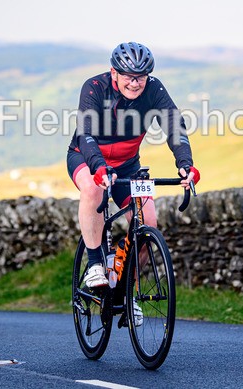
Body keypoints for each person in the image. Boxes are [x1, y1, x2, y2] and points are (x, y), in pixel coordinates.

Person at [67, 41, 200, 323]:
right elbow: (86, 135)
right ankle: (94, 264)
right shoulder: (94, 88)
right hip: (87, 157)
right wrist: (98, 167)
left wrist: (185, 164)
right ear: (114, 73)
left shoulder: (154, 90)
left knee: (147, 222)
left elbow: (174, 126)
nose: (135, 83)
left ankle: (126, 292)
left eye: (141, 76)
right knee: (92, 188)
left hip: (127, 166)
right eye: (129, 76)